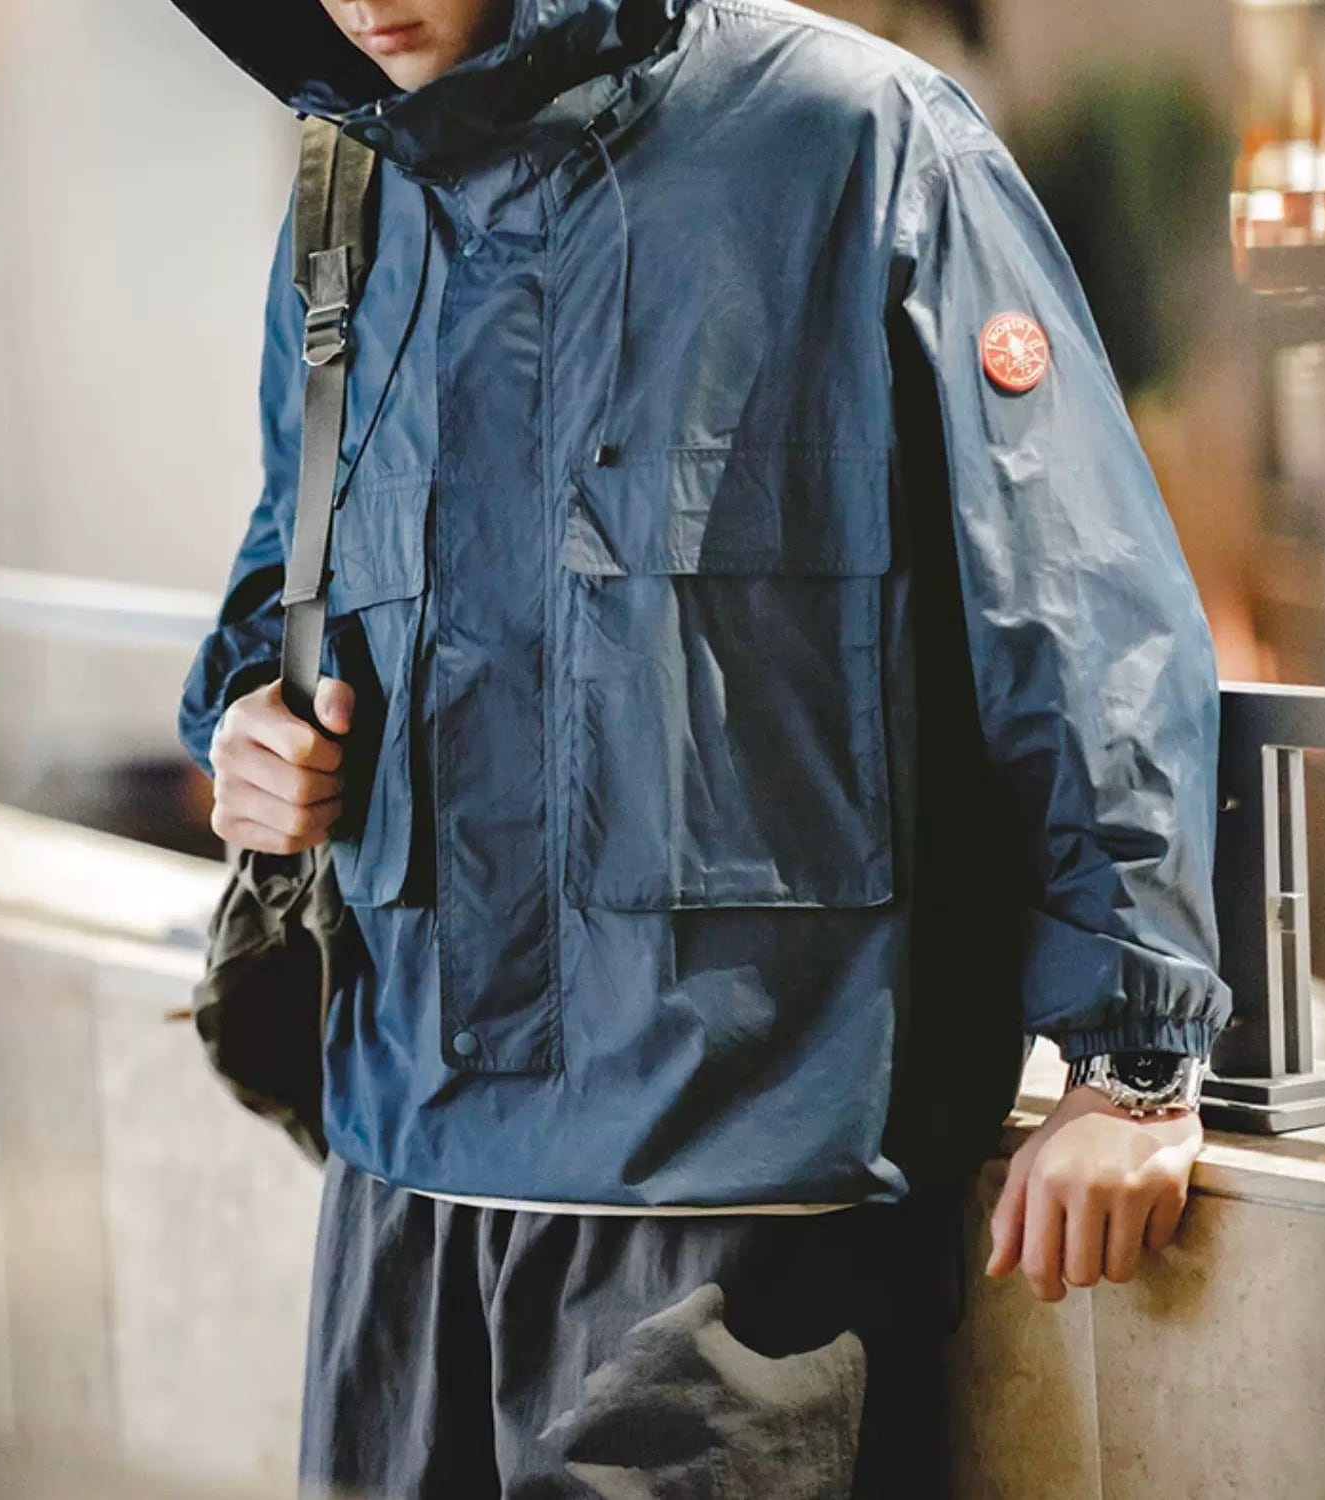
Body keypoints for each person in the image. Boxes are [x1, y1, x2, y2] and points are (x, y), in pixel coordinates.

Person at [170, 0, 1232, 1493]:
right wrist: (251, 730)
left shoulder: (853, 140)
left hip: (742, 1212)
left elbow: (1069, 594)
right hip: (400, 1209)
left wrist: (1133, 1060)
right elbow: (283, 577)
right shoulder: (348, 196)